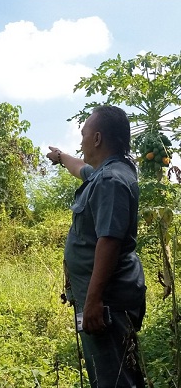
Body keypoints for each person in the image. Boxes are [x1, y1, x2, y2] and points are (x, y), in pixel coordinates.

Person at [47, 105, 147, 387]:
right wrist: (61, 157)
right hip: (104, 299)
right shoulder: (109, 172)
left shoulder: (110, 181)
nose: (81, 141)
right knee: (115, 372)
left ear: (98, 138)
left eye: (84, 134)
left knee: (113, 379)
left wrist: (93, 301)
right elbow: (80, 168)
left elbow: (109, 242)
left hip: (106, 303)